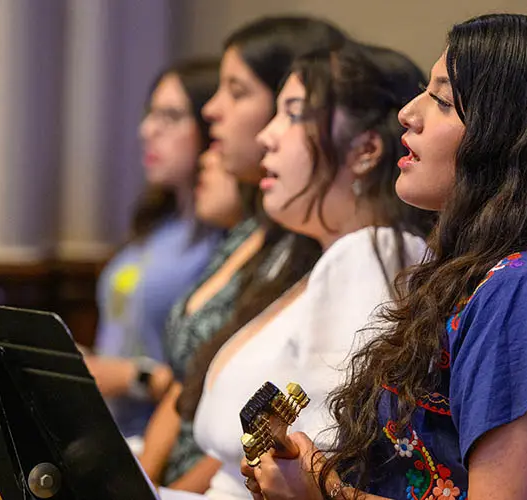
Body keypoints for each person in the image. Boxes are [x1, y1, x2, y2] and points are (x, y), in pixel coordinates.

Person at [243, 13, 527, 500]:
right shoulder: (477, 275)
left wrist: (323, 490)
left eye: (442, 101)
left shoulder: (523, 286)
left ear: (510, 138)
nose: (408, 112)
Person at [190, 41, 433, 500]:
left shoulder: (370, 256)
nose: (268, 135)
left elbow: (324, 450)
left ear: (365, 149)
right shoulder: (324, 259)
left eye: (295, 113)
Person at [137, 17, 347, 489]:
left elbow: (264, 428)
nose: (211, 109)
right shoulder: (249, 231)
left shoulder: (320, 247)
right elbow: (189, 378)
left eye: (236, 91)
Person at [84, 59, 224, 440]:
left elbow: (209, 379)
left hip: (162, 439)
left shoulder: (225, 241)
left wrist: (135, 377)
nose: (147, 130)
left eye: (171, 116)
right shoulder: (158, 224)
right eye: (151, 114)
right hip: (109, 431)